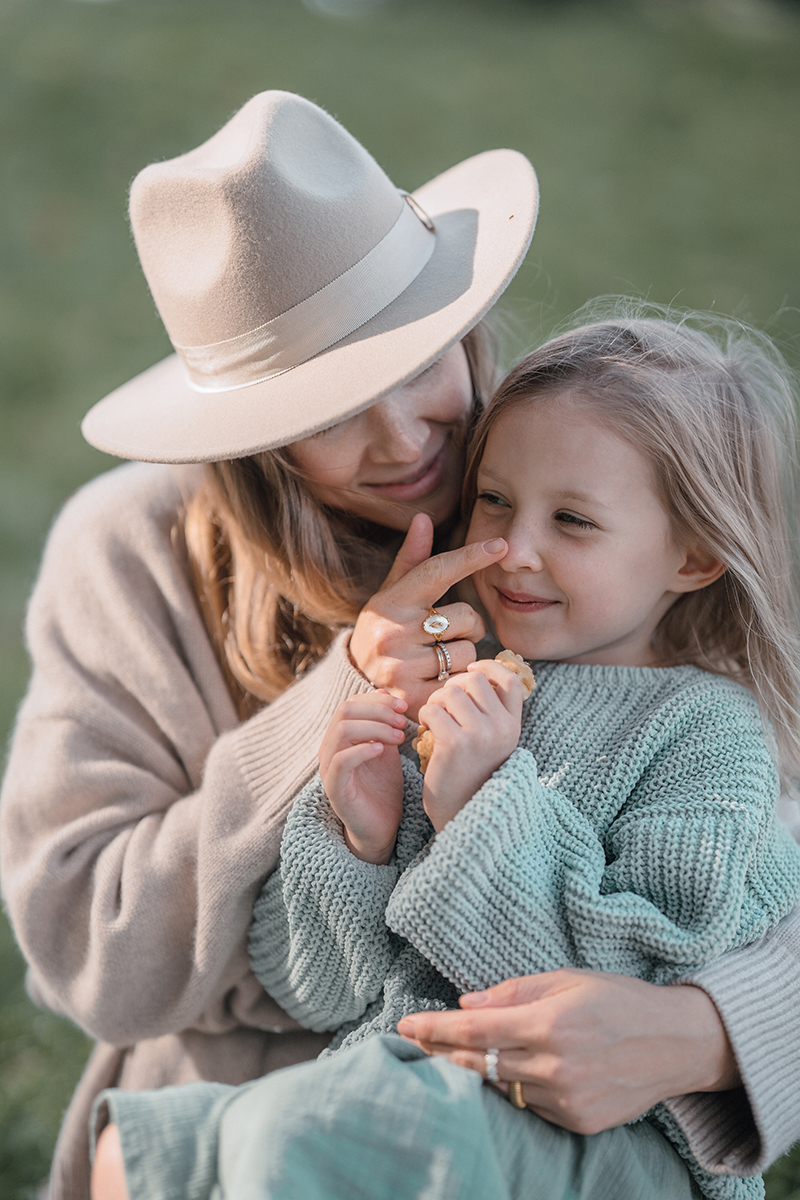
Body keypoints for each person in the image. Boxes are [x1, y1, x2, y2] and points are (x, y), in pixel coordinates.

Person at [0, 89, 797, 1199]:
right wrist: (339, 740)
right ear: (253, 433)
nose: (407, 438)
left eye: (419, 359)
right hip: (267, 1081)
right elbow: (96, 945)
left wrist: (704, 1029)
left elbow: (741, 870)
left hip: (527, 1107)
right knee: (141, 1156)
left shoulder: (570, 474)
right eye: (331, 409)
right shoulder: (130, 552)